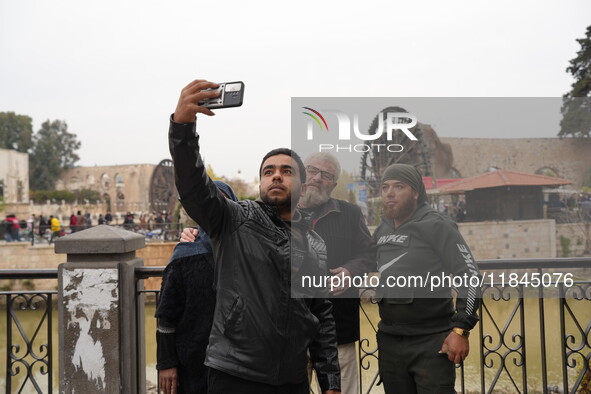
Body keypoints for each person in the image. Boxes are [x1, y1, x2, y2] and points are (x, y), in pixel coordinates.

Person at [168, 79, 340, 394]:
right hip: (236, 373)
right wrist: (182, 128)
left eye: (287, 171)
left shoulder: (315, 244)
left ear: (302, 185)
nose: (276, 175)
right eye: (268, 171)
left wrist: (330, 380)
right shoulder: (235, 218)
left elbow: (321, 315)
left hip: (292, 378)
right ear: (260, 183)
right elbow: (193, 186)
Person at [373, 164, 481, 394]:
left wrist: (461, 330)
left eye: (398, 186)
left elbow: (470, 276)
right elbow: (365, 261)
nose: (389, 193)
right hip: (390, 341)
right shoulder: (382, 229)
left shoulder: (437, 225)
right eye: (385, 187)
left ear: (415, 192)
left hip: (431, 342)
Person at [299, 153, 375, 394]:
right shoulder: (278, 213)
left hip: (338, 332)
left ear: (333, 183)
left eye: (326, 175)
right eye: (312, 170)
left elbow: (370, 254)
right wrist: (195, 234)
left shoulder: (350, 214)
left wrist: (350, 271)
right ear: (302, 173)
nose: (317, 178)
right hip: (290, 335)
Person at [156, 181, 238, 394]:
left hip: (240, 365)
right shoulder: (185, 255)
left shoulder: (249, 251)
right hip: (192, 363)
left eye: (222, 201)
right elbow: (166, 315)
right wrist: (166, 363)